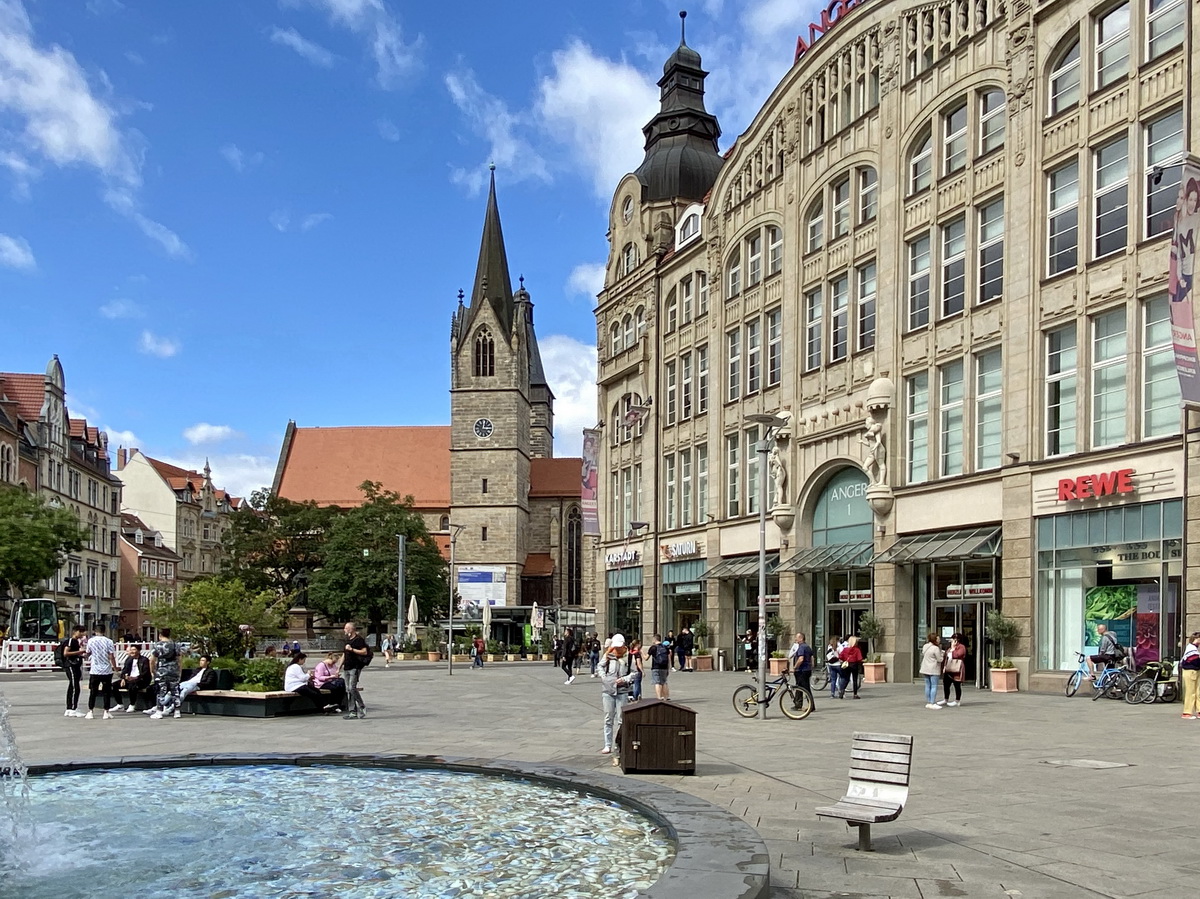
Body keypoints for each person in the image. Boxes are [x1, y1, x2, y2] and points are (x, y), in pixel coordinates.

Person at [598, 634, 633, 764]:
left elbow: (634, 672)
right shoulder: (608, 655)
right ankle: (607, 744)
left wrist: (624, 679)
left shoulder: (628, 656)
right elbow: (600, 666)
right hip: (608, 690)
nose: (617, 649)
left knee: (621, 719)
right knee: (608, 717)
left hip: (622, 690)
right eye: (615, 646)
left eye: (620, 647)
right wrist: (604, 677)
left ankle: (620, 744)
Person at [83, 624, 117, 719]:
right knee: (107, 692)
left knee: (93, 691)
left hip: (95, 670)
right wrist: (114, 667)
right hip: (106, 670)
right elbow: (111, 656)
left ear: (94, 631)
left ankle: (90, 711)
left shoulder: (91, 641)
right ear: (104, 631)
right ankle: (106, 711)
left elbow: (88, 652)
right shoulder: (109, 641)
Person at [149, 627, 182, 720]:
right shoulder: (175, 645)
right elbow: (179, 659)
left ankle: (159, 711)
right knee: (175, 691)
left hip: (162, 671)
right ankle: (177, 711)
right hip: (174, 670)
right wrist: (179, 671)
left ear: (160, 635)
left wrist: (153, 671)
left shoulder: (157, 645)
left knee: (161, 691)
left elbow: (152, 659)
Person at [342, 621, 369, 719]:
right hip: (347, 667)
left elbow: (364, 652)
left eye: (345, 628)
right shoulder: (347, 639)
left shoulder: (358, 640)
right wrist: (339, 666)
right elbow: (344, 654)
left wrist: (352, 649)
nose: (344, 630)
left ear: (351, 629)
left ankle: (361, 706)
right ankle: (352, 711)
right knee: (348, 690)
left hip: (355, 667)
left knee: (351, 688)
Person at [116, 644, 153, 712]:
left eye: (134, 650)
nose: (132, 651)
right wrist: (123, 678)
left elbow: (145, 673)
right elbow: (124, 671)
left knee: (132, 685)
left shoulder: (144, 660)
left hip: (141, 680)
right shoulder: (129, 659)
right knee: (114, 685)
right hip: (129, 679)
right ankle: (120, 704)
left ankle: (132, 705)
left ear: (138, 651)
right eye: (131, 650)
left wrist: (135, 678)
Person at [62, 625, 86, 718]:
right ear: (75, 631)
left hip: (73, 665)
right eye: (81, 632)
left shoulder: (75, 641)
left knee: (72, 686)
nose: (82, 634)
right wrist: (80, 652)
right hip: (71, 666)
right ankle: (73, 709)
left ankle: (69, 708)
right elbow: (66, 653)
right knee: (75, 686)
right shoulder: (72, 641)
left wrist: (81, 656)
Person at [940, 632, 967, 707]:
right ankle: (946, 699)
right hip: (948, 667)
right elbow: (946, 656)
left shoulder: (961, 647)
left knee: (957, 685)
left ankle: (957, 700)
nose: (951, 641)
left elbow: (958, 655)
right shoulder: (950, 647)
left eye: (953, 639)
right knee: (946, 684)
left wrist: (953, 649)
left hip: (956, 668)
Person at [789, 632, 815, 710]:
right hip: (807, 670)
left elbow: (801, 659)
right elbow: (812, 658)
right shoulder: (808, 647)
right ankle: (798, 704)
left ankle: (811, 706)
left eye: (796, 637)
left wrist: (795, 667)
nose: (795, 639)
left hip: (801, 670)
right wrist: (811, 666)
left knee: (805, 688)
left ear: (801, 638)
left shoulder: (801, 647)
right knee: (799, 687)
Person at [919, 632, 945, 709]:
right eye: (938, 638)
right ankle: (932, 702)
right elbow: (940, 659)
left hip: (925, 668)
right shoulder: (935, 648)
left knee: (927, 685)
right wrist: (942, 654)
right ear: (935, 639)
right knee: (934, 686)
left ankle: (929, 701)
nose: (939, 639)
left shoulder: (925, 646)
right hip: (933, 669)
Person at [1180, 632, 1200, 719]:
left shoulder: (1194, 648)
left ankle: (1199, 711)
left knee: (1197, 692)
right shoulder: (1192, 649)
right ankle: (1187, 712)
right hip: (1190, 671)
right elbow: (1195, 661)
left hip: (1194, 671)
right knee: (1191, 692)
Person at [837, 635, 863, 699]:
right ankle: (855, 694)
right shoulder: (857, 650)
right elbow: (859, 658)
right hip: (854, 665)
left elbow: (840, 656)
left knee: (846, 678)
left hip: (847, 664)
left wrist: (844, 660)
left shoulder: (845, 649)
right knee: (854, 680)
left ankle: (842, 690)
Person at [648, 633, 672, 700]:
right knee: (664, 682)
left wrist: (641, 653)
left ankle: (659, 697)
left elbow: (646, 658)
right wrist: (668, 667)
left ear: (654, 639)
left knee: (657, 682)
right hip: (664, 666)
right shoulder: (665, 647)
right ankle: (666, 697)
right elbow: (668, 657)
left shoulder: (653, 647)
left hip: (656, 666)